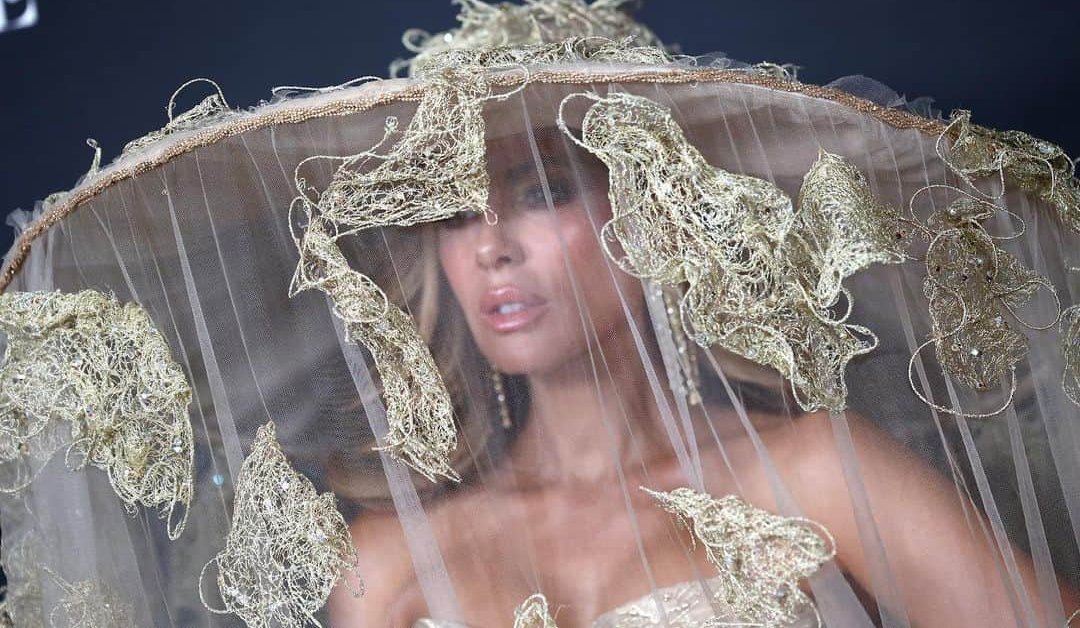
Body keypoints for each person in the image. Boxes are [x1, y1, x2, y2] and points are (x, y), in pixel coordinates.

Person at [327, 119, 1080, 628]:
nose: (490, 247)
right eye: (456, 212)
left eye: (541, 191)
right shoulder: (387, 555)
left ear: (654, 212)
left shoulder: (815, 472)